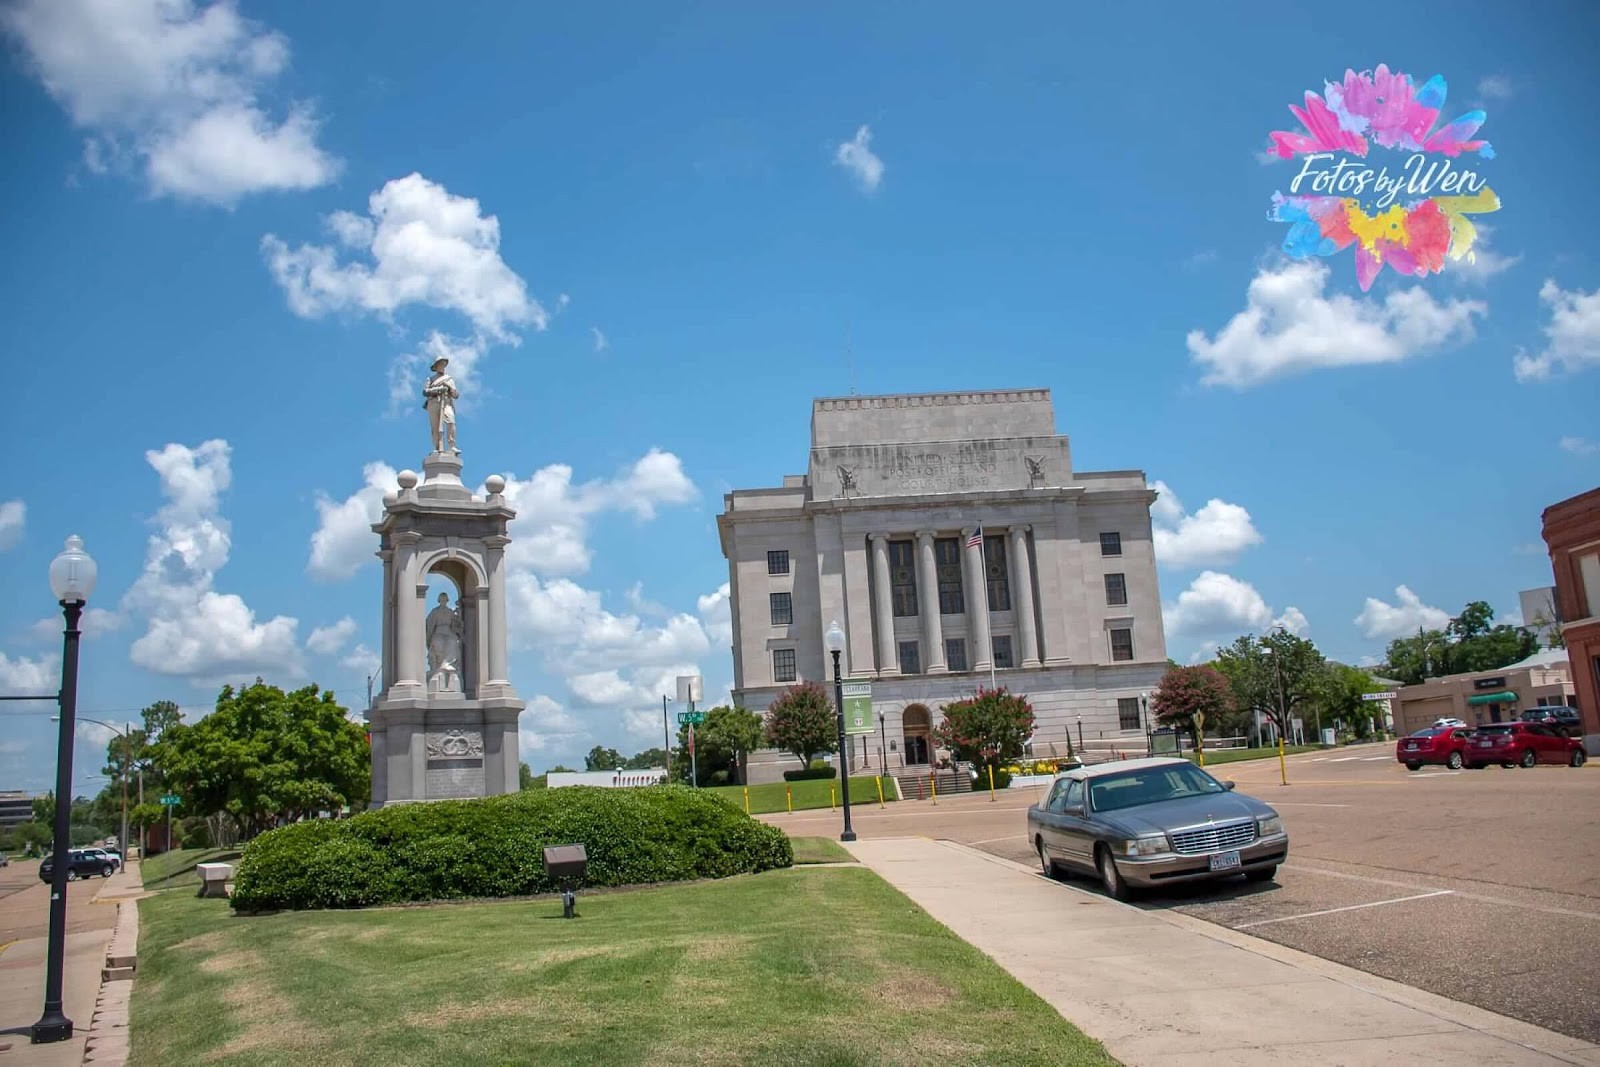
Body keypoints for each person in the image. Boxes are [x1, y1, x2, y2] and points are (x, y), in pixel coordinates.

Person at [423, 356, 460, 453]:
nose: (442, 366)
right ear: (436, 367)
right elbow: (425, 391)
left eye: (443, 364)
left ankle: (451, 446)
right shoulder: (430, 379)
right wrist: (438, 389)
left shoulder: (449, 379)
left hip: (446, 403)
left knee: (451, 421)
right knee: (435, 426)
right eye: (440, 364)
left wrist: (449, 387)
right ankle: (437, 446)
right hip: (434, 402)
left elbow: (456, 395)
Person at [426, 592, 463, 679]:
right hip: (438, 631)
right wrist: (429, 636)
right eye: (441, 599)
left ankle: (449, 665)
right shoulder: (435, 611)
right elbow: (430, 625)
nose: (443, 601)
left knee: (453, 641)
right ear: (439, 600)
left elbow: (454, 626)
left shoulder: (450, 612)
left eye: (445, 599)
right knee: (438, 641)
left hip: (448, 632)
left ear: (447, 600)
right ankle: (439, 667)